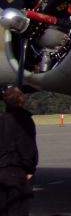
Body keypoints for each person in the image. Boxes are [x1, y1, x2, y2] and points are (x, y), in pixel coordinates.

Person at [0, 87, 38, 215]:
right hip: (16, 172)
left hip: (1, 171)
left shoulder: (1, 119)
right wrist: (29, 169)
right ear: (21, 99)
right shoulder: (24, 120)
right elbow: (26, 146)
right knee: (18, 209)